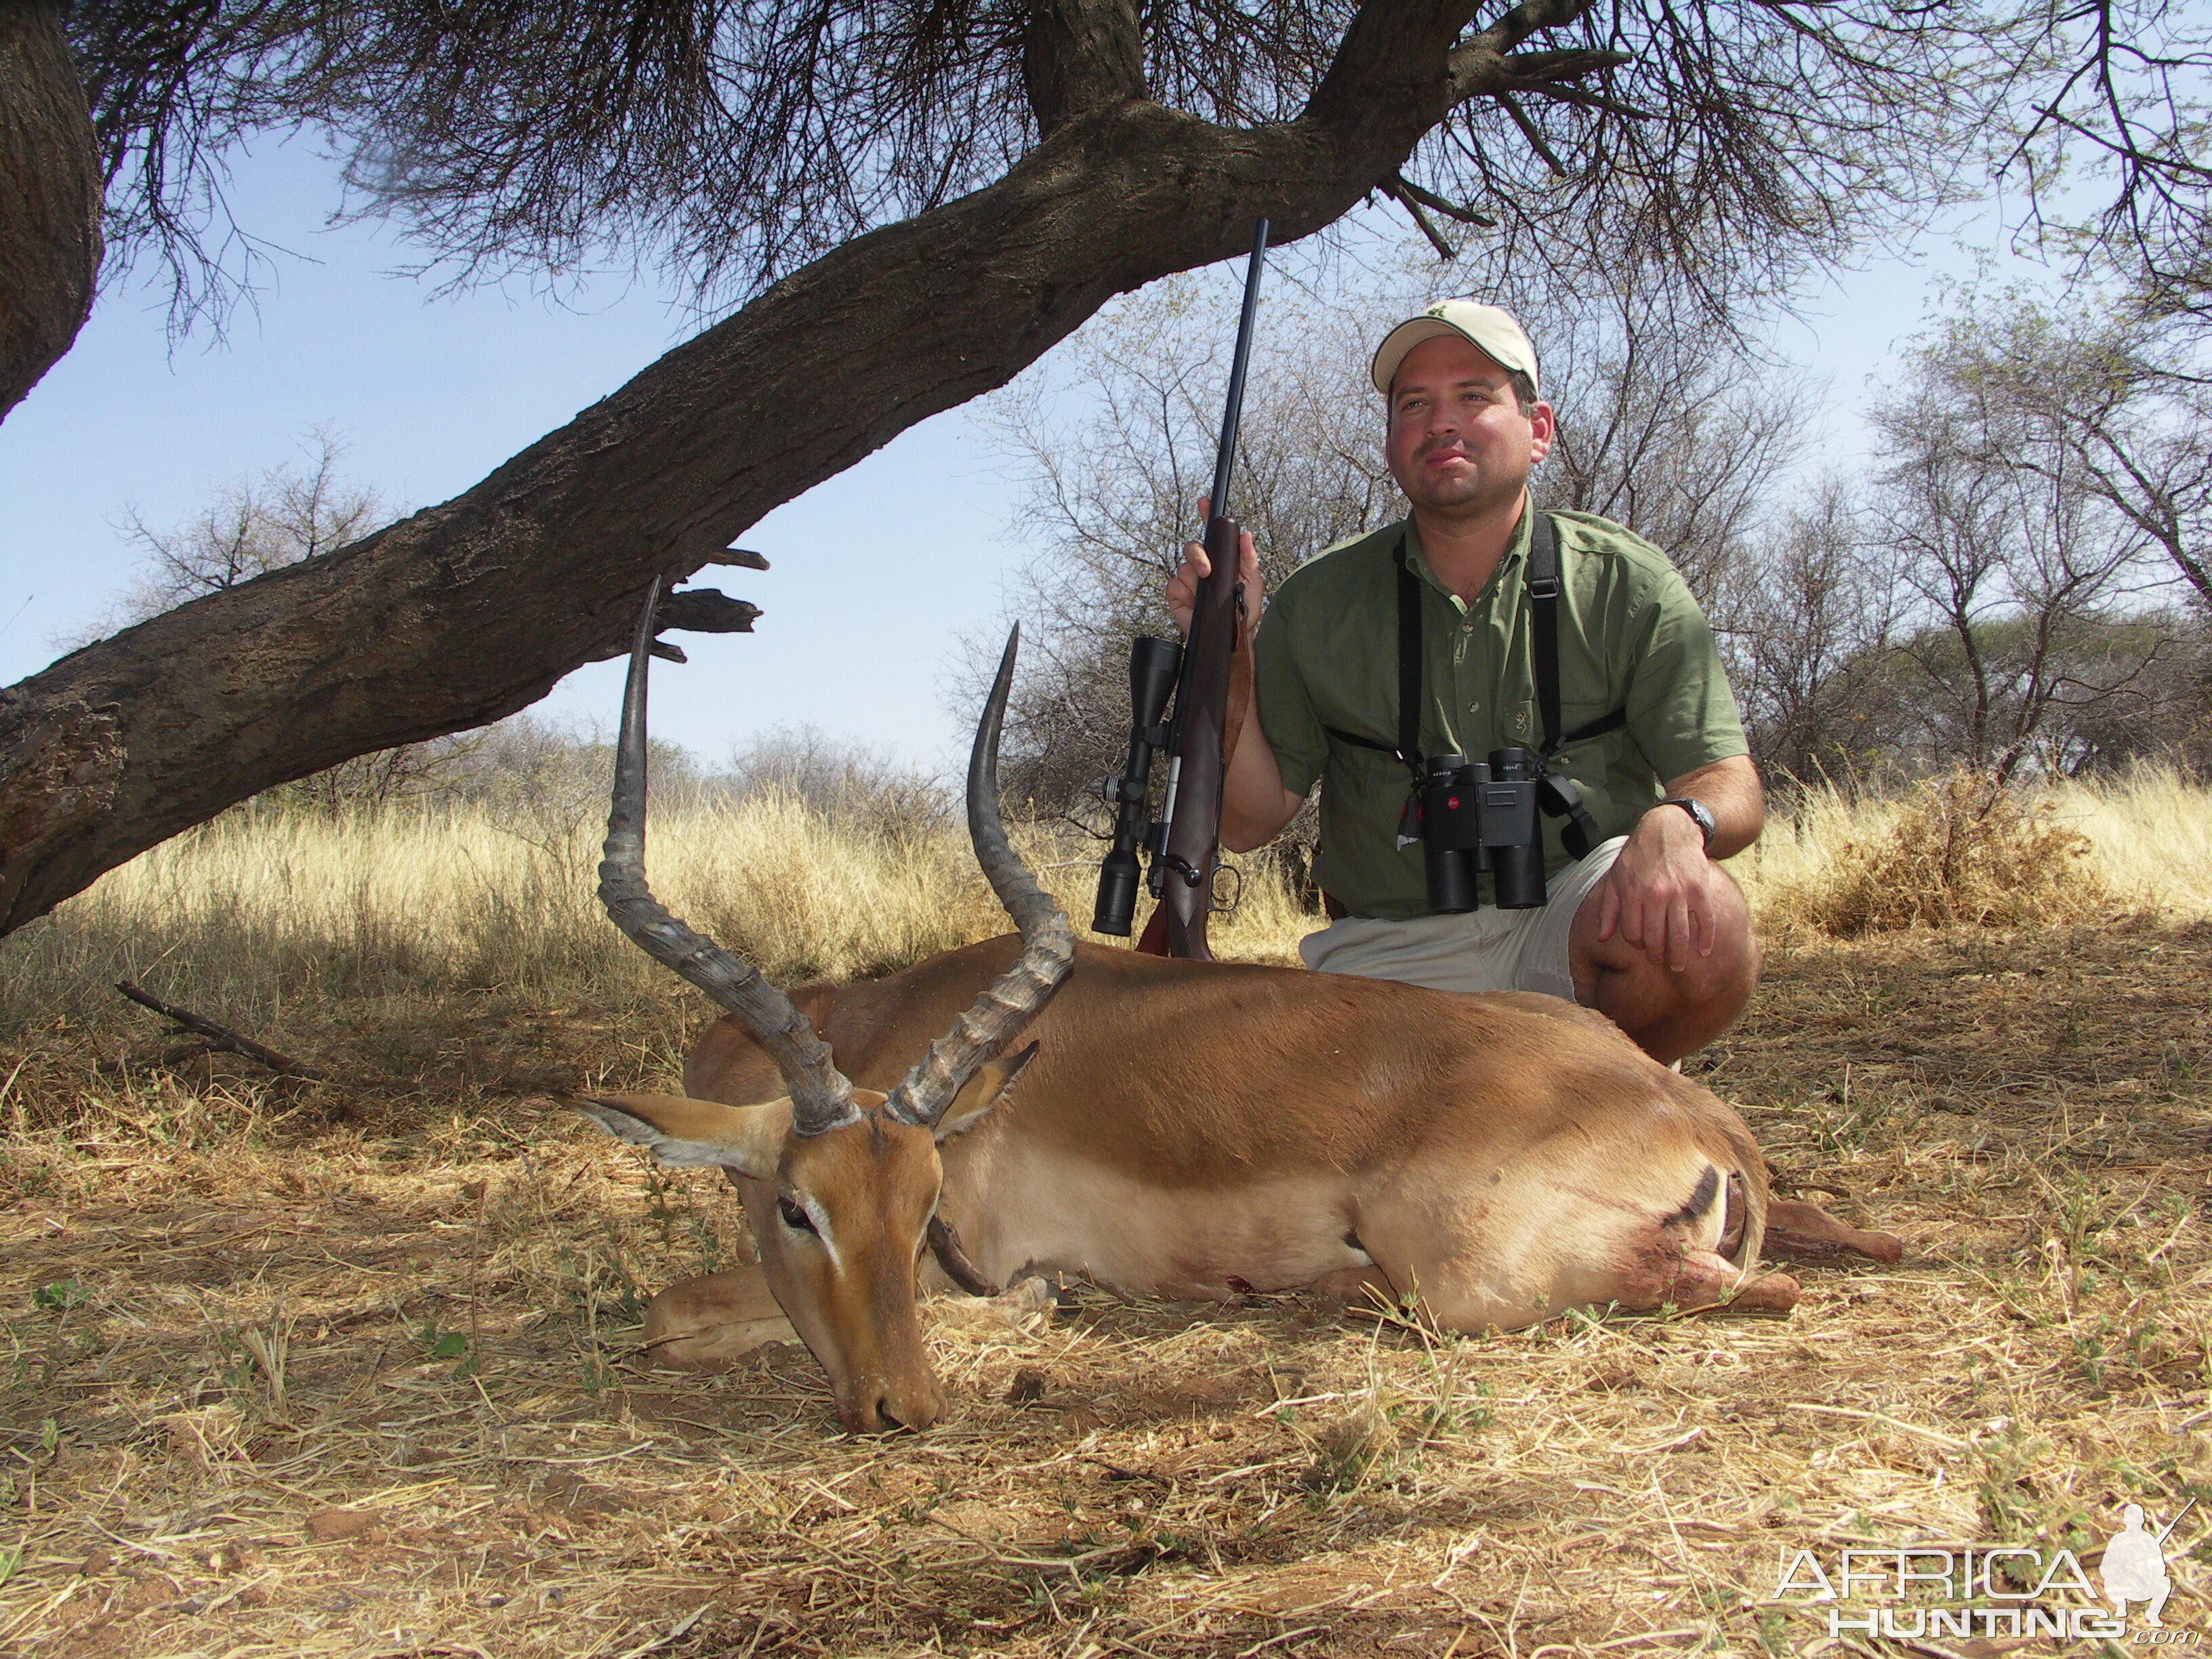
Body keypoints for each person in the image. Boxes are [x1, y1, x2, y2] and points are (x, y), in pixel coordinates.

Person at [1168, 300, 1762, 1065]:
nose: (1441, 422)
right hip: (1391, 955)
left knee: (1707, 925)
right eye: (1415, 405)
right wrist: (1225, 657)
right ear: (1391, 443)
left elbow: (1729, 780)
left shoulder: (1628, 582)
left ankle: (1628, 1117)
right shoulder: (1319, 603)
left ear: (1538, 429)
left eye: (1474, 397)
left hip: (1571, 925)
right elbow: (1248, 822)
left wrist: (1678, 824)